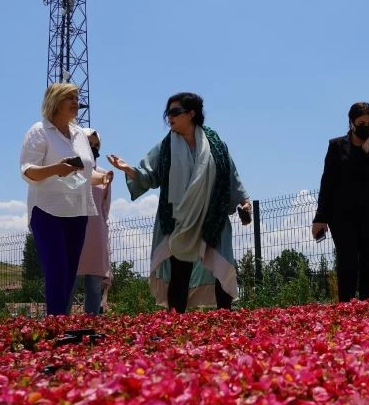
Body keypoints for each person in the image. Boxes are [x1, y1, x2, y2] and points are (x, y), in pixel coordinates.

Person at [107, 92, 250, 313]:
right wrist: (129, 169)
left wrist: (244, 201)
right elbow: (150, 174)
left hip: (211, 214)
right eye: (167, 113)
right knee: (179, 272)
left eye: (175, 112)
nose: (169, 118)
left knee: (222, 267)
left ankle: (226, 321)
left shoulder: (215, 143)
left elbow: (231, 175)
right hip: (179, 218)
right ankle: (175, 325)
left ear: (191, 114)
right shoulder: (166, 146)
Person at [19, 83, 98, 316]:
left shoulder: (80, 134)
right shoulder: (39, 131)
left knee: (70, 273)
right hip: (47, 210)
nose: (76, 102)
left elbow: (85, 170)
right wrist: (55, 169)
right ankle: (55, 327)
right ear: (55, 101)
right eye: (70, 98)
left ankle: (61, 325)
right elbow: (28, 171)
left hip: (78, 210)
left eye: (77, 98)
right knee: (57, 271)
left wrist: (102, 178)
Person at [311, 102, 369, 302]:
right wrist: (320, 217)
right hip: (341, 216)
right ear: (351, 122)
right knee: (347, 262)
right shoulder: (336, 146)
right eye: (361, 122)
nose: (366, 126)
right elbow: (327, 182)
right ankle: (347, 309)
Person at [76, 128, 114, 315]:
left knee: (93, 289)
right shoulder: (69, 170)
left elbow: (105, 209)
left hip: (96, 235)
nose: (93, 148)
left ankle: (91, 331)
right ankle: (59, 327)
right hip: (73, 232)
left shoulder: (105, 175)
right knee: (67, 286)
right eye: (89, 143)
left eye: (96, 145)